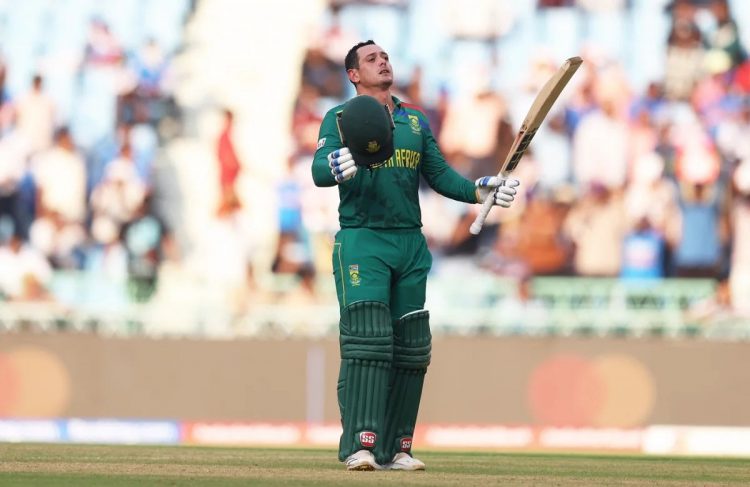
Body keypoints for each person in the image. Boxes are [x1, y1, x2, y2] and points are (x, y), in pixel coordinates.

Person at [311, 40, 520, 471]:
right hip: (363, 238)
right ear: (353, 74)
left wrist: (483, 189)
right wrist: (335, 164)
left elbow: (440, 176)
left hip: (410, 241)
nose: (383, 61)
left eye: (385, 55)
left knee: (409, 347)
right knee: (368, 341)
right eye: (371, 59)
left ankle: (397, 447)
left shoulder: (414, 120)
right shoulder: (340, 118)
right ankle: (361, 444)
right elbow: (318, 170)